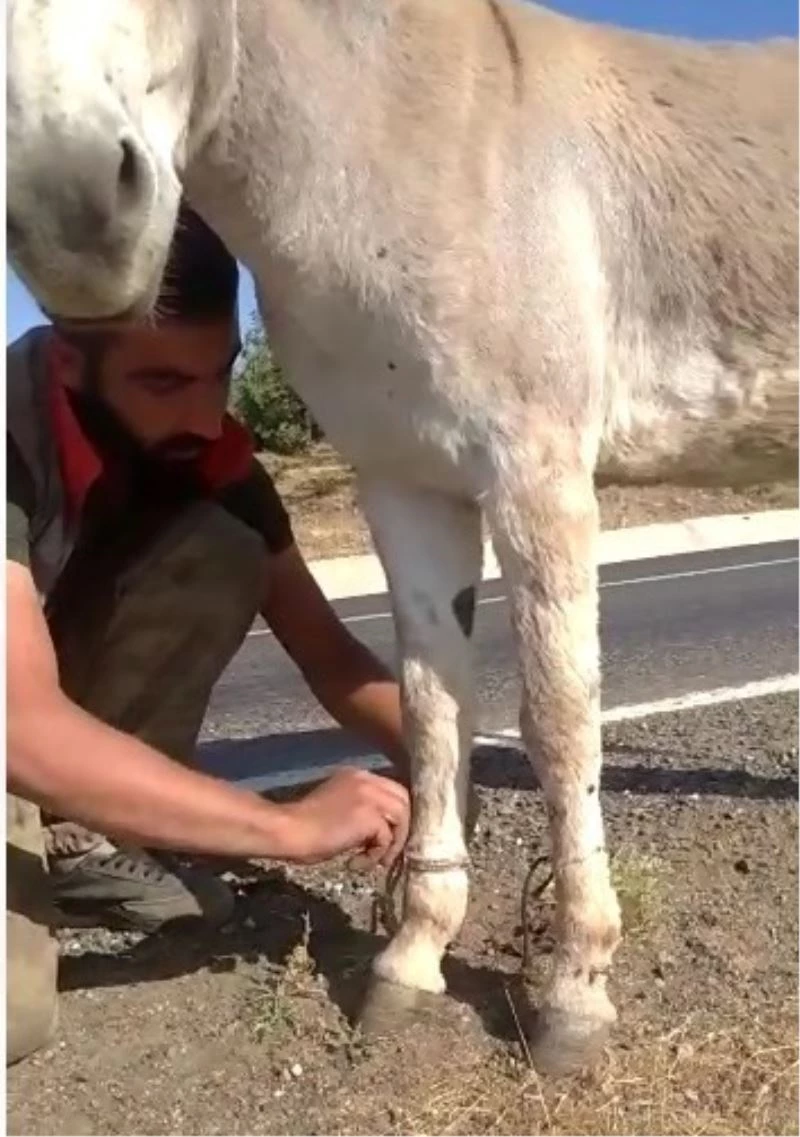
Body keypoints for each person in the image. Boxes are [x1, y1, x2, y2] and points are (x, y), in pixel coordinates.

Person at [6, 205, 413, 1065]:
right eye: (164, 384)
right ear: (73, 361)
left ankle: (84, 840)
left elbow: (331, 654)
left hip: (30, 748)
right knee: (14, 1012)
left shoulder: (211, 461)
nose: (205, 415)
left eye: (219, 374)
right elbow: (19, 723)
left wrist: (441, 762)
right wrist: (288, 830)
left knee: (223, 542)